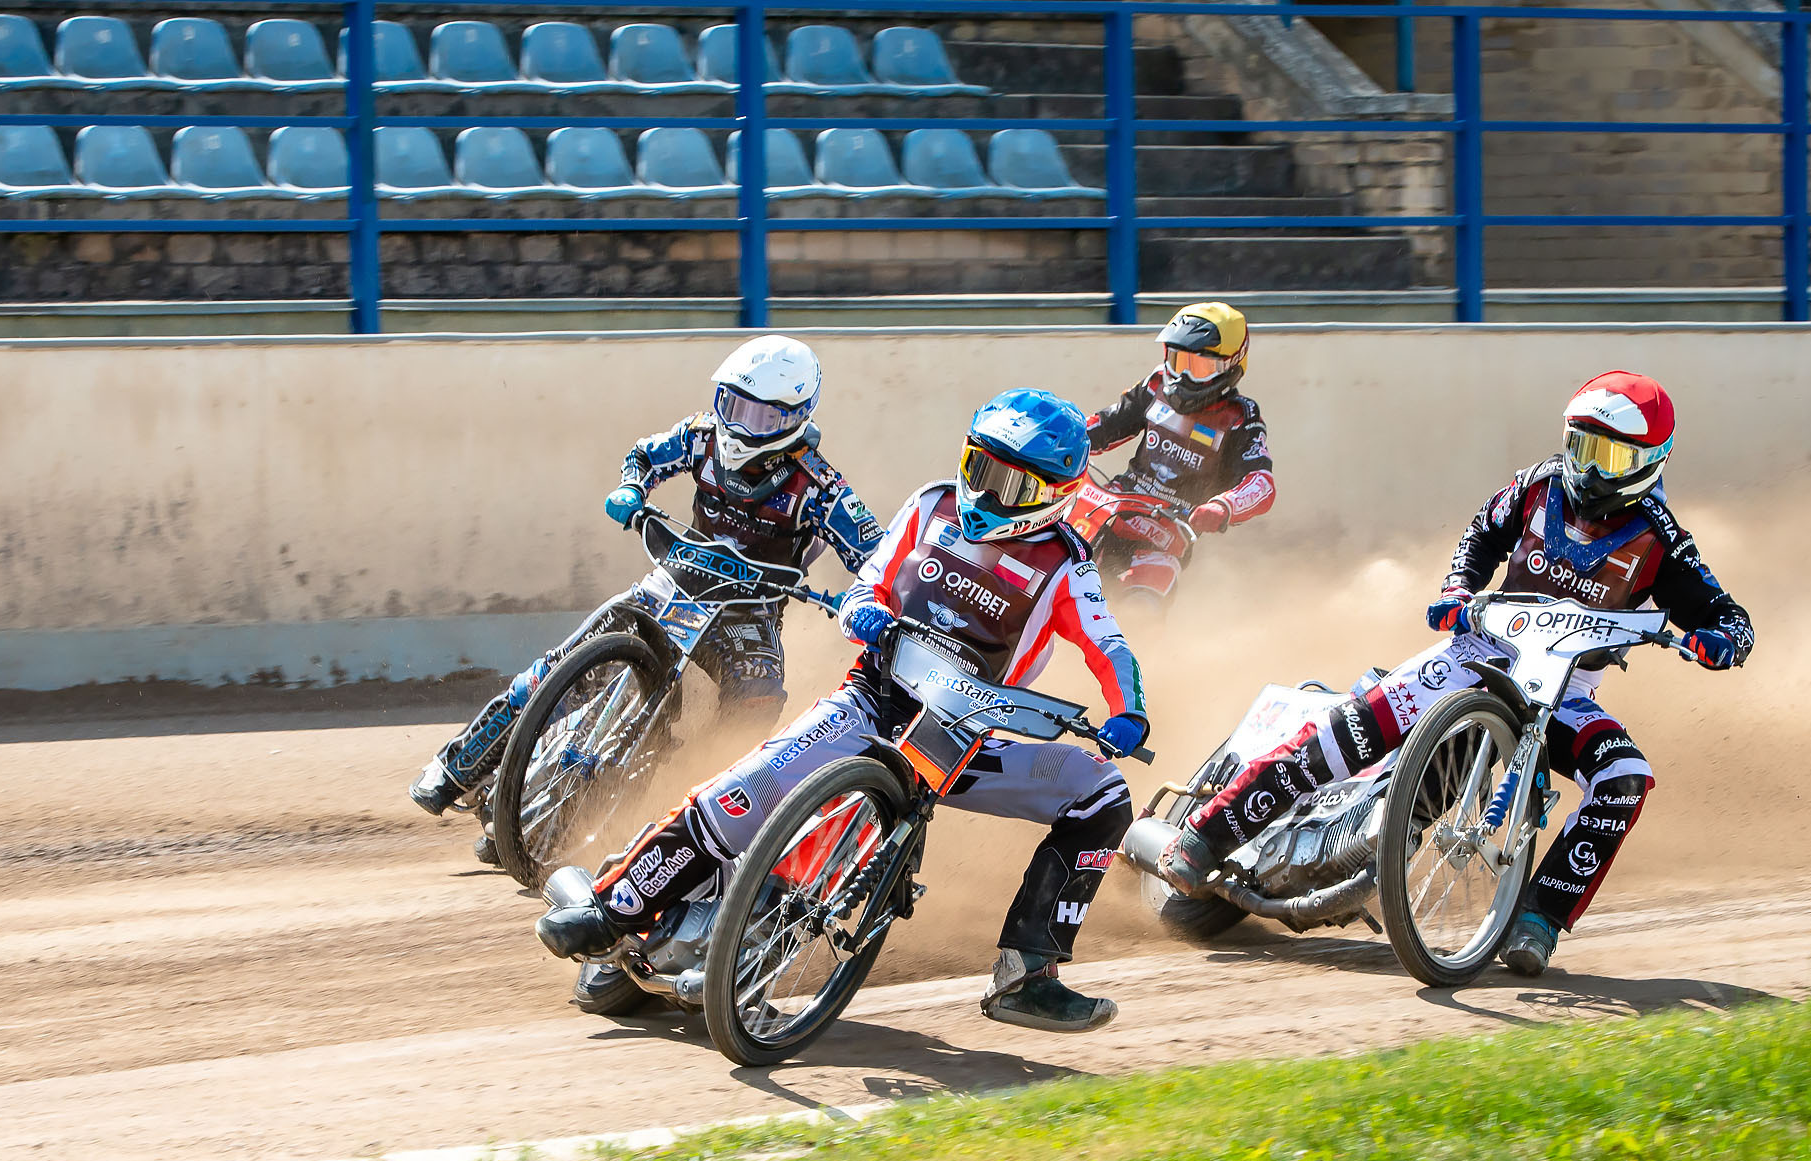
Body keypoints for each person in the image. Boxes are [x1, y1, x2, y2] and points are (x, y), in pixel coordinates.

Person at [534, 388, 1149, 1032]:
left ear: (1056, 495)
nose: (988, 493)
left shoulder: (1066, 566)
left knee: (1102, 793)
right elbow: (872, 578)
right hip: (869, 696)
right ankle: (616, 907)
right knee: (744, 790)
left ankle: (1028, 976)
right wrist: (864, 609)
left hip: (960, 740)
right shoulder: (932, 503)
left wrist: (1127, 713)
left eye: (1013, 485)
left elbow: (1108, 644)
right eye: (980, 467)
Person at [1151, 371, 1755, 977]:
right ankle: (1207, 834)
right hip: (1475, 653)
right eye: (1580, 447)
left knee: (1625, 776)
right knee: (1351, 733)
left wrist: (1721, 639)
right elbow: (1481, 534)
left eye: (1609, 455)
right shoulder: (1537, 485)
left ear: (1650, 462)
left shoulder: (1664, 540)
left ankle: (1539, 917)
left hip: (1568, 692)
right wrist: (1457, 588)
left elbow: (1729, 615)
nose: (1588, 469)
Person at [408, 335, 885, 862]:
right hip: (676, 579)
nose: (741, 426)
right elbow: (643, 455)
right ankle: (458, 767)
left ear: (796, 418)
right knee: (562, 665)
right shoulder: (702, 437)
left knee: (758, 706)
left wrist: (865, 599)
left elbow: (877, 554)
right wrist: (631, 487)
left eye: (762, 417)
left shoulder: (821, 487)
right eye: (733, 404)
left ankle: (690, 825)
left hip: (749, 615)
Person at [1082, 301, 1276, 607]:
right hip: (1110, 507)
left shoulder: (1240, 417)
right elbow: (1103, 426)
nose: (1183, 376)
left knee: (1147, 589)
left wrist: (1223, 507)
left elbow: (1261, 483)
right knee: (1051, 550)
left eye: (1198, 367)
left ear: (1230, 365)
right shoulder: (1156, 383)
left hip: (1169, 530)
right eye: (1179, 361)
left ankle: (1138, 640)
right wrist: (1056, 442)